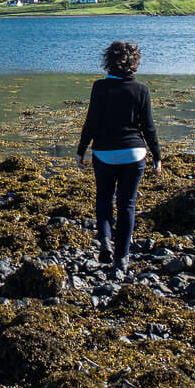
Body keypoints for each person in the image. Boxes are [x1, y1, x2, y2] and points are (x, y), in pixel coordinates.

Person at [76, 40, 161, 279]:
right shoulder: (141, 90)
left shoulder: (100, 88)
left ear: (108, 63)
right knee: (127, 205)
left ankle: (104, 241)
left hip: (104, 152)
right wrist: (157, 157)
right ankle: (121, 260)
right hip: (134, 153)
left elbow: (91, 122)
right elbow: (149, 127)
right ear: (134, 64)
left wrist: (81, 150)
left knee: (103, 197)